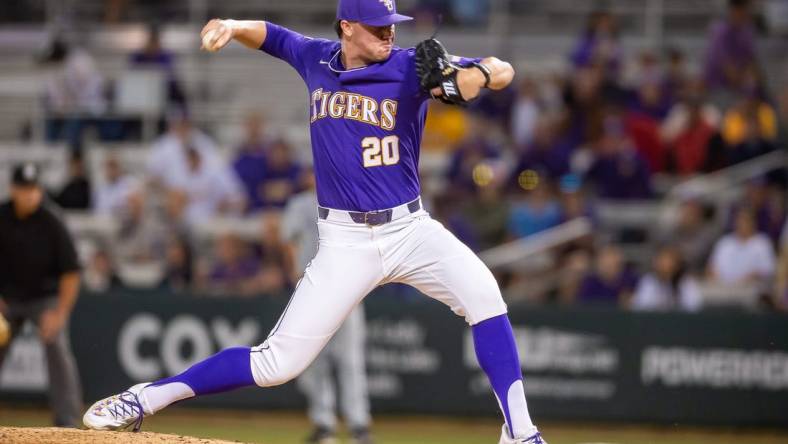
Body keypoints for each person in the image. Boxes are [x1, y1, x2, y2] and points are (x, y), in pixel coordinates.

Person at [83, 2, 545, 443]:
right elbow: (272, 35)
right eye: (378, 25)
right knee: (275, 366)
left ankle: (520, 432)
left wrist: (477, 74)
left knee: (485, 296)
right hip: (345, 240)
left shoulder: (409, 65)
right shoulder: (316, 59)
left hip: (410, 229)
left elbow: (502, 70)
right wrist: (232, 23)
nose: (390, 33)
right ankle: (145, 398)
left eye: (392, 24)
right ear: (346, 27)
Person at [283, 169, 373, 444]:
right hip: (312, 289)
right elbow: (287, 239)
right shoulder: (300, 204)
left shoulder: (348, 198)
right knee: (314, 361)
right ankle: (324, 425)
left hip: (346, 288)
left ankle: (359, 425)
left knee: (350, 360)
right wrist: (293, 274)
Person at [0, 163, 83, 427]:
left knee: (57, 343)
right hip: (5, 300)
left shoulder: (52, 220)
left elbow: (71, 272)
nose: (29, 194)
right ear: (13, 190)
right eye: (24, 189)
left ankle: (67, 420)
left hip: (43, 299)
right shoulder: (1, 217)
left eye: (34, 188)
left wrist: (59, 313)